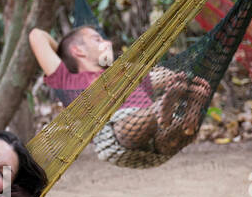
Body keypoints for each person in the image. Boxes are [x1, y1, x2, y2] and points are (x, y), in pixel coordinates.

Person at [29, 24, 212, 158]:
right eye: (97, 39)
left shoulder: (122, 74)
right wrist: (63, 51)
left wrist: (184, 81)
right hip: (115, 137)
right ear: (78, 50)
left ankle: (177, 116)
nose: (107, 42)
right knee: (126, 125)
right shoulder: (67, 79)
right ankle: (162, 111)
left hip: (154, 138)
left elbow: (168, 76)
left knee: (168, 135)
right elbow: (37, 35)